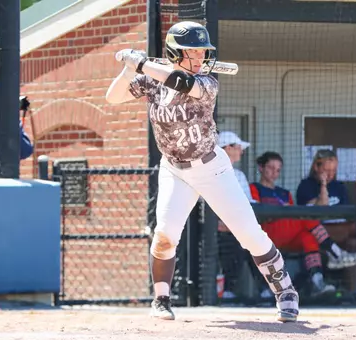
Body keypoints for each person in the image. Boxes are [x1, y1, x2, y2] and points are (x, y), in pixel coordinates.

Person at [105, 21, 299, 322]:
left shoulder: (206, 82)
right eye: (191, 54)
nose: (199, 60)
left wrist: (143, 62)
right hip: (173, 169)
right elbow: (112, 98)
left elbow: (181, 83)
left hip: (212, 168)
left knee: (249, 234)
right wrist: (131, 69)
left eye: (201, 53)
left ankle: (285, 290)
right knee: (165, 235)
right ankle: (161, 299)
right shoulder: (152, 80)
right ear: (174, 53)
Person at [249, 151, 356, 297]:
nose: (274, 173)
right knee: (304, 214)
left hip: (286, 235)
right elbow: (256, 214)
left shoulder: (284, 193)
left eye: (277, 170)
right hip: (266, 234)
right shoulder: (254, 188)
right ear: (261, 168)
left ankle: (317, 280)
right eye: (270, 168)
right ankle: (335, 251)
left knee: (308, 237)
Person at [215, 131, 272, 300]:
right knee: (231, 248)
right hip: (218, 230)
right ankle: (225, 290)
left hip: (239, 228)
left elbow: (248, 203)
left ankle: (265, 290)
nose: (241, 151)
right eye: (238, 147)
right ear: (227, 148)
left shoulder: (239, 175)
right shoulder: (211, 173)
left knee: (257, 246)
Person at [296, 149, 356, 293]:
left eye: (333, 170)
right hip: (318, 234)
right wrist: (324, 185)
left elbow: (346, 213)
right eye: (326, 170)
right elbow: (322, 206)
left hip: (340, 231)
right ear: (316, 167)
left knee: (353, 243)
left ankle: (351, 292)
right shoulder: (306, 186)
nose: (330, 174)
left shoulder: (339, 187)